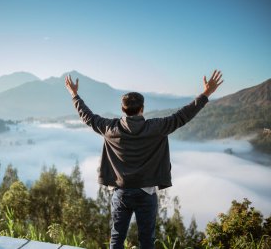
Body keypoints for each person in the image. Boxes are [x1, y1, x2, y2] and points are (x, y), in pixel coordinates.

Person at [65, 70, 223, 249]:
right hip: (146, 193)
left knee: (116, 238)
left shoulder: (110, 128)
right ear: (142, 109)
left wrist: (74, 94)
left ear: (122, 109)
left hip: (121, 192)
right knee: (147, 240)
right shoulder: (156, 127)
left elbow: (88, 117)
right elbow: (182, 116)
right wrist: (206, 94)